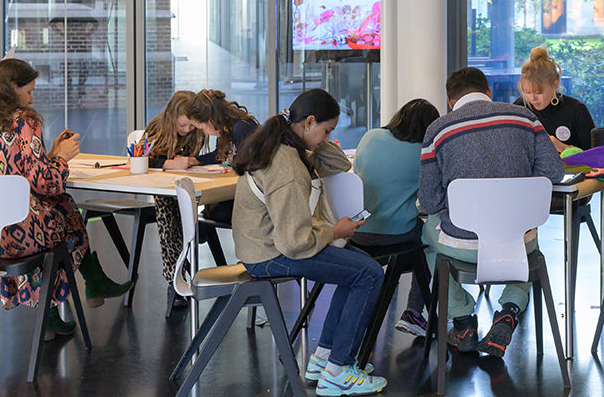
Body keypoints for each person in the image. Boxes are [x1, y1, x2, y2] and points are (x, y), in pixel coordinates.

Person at [0, 58, 132, 340]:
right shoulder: (24, 121)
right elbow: (46, 183)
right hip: (19, 233)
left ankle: (58, 307)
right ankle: (87, 284)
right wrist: (62, 156)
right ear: (13, 87)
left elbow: (15, 173)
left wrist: (49, 156)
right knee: (64, 208)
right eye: (30, 90)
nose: (31, 97)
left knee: (59, 208)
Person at [233, 89, 387, 395]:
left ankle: (326, 357)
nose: (326, 137)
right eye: (326, 130)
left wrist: (318, 140)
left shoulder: (286, 148)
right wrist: (335, 232)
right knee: (369, 273)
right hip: (270, 254)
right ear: (309, 121)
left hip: (261, 247)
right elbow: (293, 242)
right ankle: (338, 371)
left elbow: (339, 165)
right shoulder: (287, 165)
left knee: (355, 271)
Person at [419, 67, 565, 357]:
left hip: (462, 245)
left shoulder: (437, 130)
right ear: (488, 92)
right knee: (523, 240)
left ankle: (462, 322)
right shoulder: (525, 117)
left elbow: (430, 201)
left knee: (424, 238)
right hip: (519, 242)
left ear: (450, 100)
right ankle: (509, 312)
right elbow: (554, 172)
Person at [351, 98, 441, 337]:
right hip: (396, 235)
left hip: (355, 232)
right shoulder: (423, 153)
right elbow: (431, 200)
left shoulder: (370, 137)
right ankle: (413, 311)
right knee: (432, 241)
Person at [144, 91, 219, 287]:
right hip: (164, 189)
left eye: (191, 125)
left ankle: (178, 269)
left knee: (180, 204)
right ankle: (176, 273)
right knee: (165, 203)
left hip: (189, 187)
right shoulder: (156, 129)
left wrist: (192, 160)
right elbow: (141, 160)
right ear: (170, 117)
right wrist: (168, 164)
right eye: (182, 125)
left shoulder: (197, 132)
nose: (187, 129)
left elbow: (211, 156)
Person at [186, 89, 260, 224]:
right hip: (239, 190)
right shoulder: (225, 129)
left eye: (202, 128)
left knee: (211, 213)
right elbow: (219, 155)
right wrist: (192, 160)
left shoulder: (242, 128)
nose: (204, 132)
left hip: (254, 195)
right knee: (207, 211)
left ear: (210, 120)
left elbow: (251, 167)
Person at [513, 46, 595, 151]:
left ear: (555, 85)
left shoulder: (576, 111)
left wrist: (562, 147)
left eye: (538, 92)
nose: (532, 99)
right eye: (527, 92)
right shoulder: (519, 109)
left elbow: (594, 158)